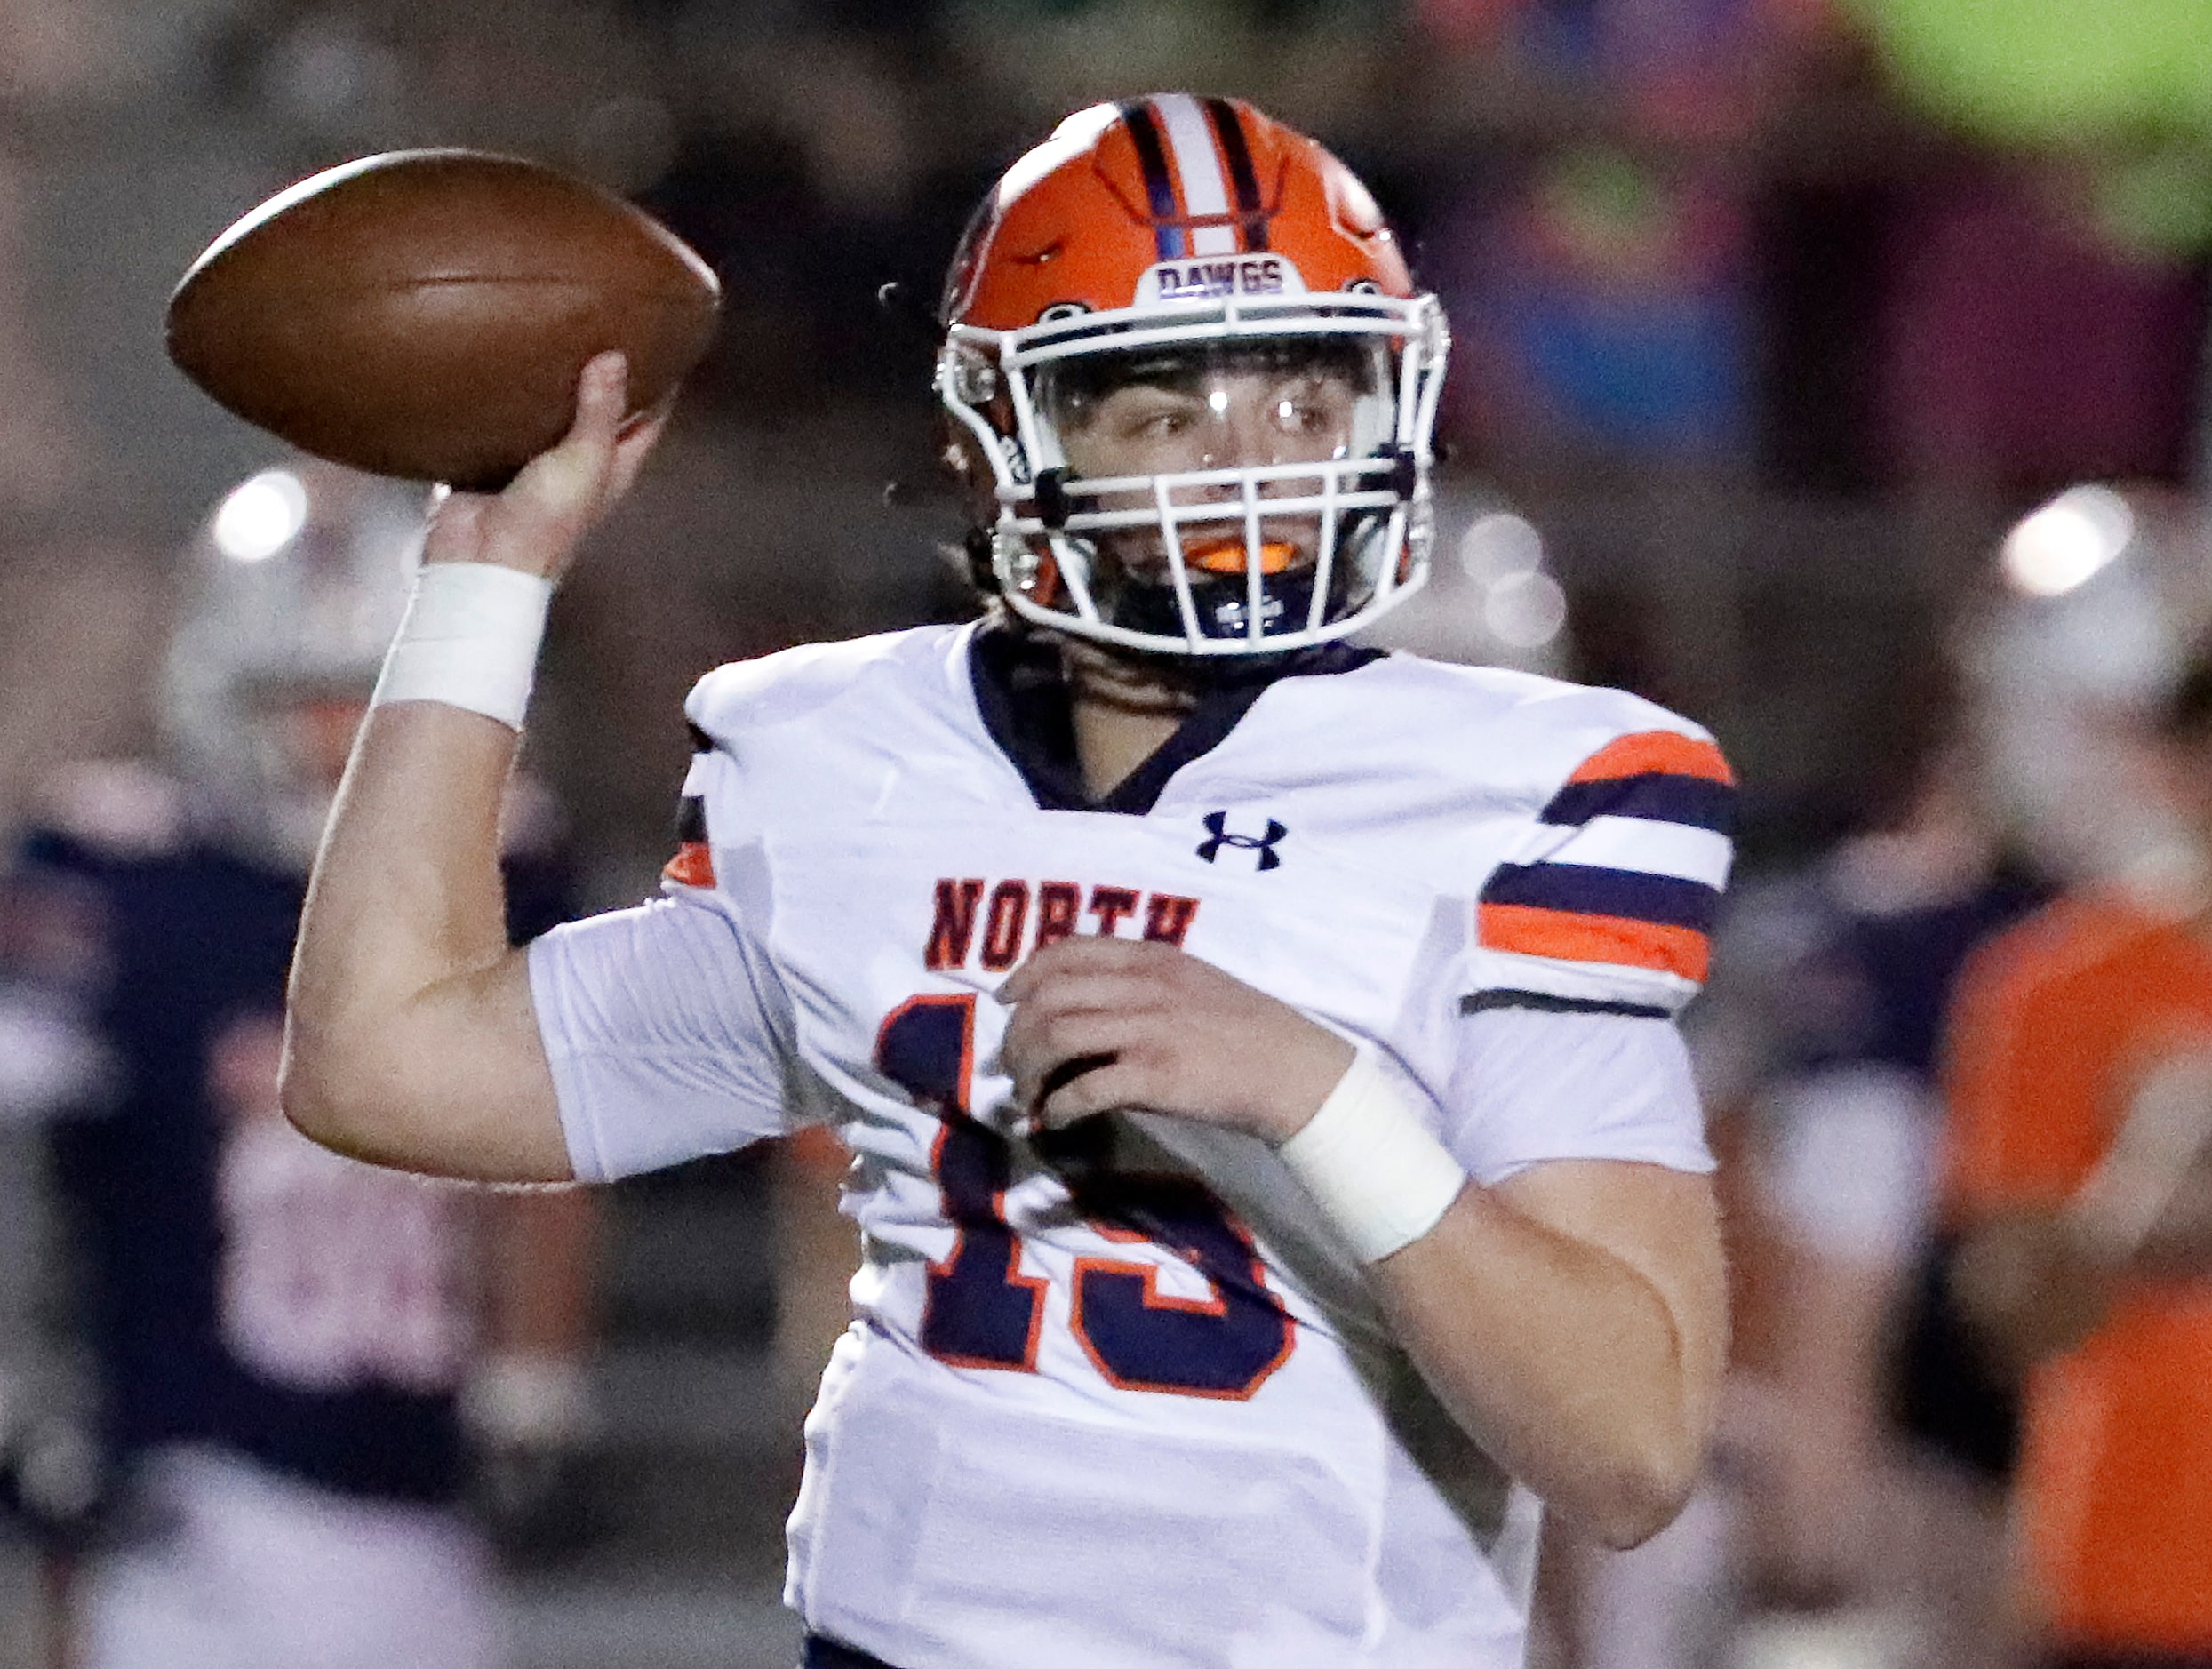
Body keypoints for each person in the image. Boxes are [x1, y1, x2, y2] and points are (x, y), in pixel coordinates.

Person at [283, 95, 1732, 1668]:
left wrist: (1320, 1101)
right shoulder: (847, 757)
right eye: (1170, 414)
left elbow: (1626, 1449)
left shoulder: (1517, 787)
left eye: (1304, 408)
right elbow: (385, 1064)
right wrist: (487, 581)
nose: (1252, 470)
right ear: (1006, 446)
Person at [0, 459, 596, 1669]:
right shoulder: (124, 884)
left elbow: (555, 1150)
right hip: (191, 1487)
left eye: (361, 699)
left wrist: (534, 1368)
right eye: (296, 697)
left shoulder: (499, 878)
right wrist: (30, 1380)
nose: (329, 740)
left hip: (415, 1479)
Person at [1940, 643, 2212, 1669]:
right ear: (2176, 762)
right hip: (2129, 1584)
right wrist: (2152, 1176)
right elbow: (2014, 1319)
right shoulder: (2053, 986)